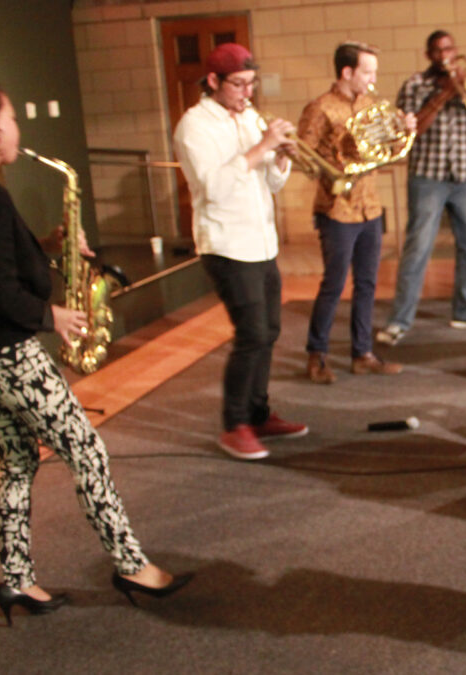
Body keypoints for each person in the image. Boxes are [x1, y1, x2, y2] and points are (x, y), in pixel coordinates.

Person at [0, 81, 192, 625]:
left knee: (17, 464)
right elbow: (0, 290)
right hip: (8, 355)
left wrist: (48, 243)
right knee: (87, 452)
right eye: (11, 117)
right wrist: (52, 316)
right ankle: (131, 565)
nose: (18, 127)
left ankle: (17, 580)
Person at [173, 43, 307, 460]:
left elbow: (271, 184)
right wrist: (262, 146)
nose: (248, 93)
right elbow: (213, 187)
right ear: (213, 81)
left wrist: (281, 157)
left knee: (269, 331)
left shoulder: (249, 117)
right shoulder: (194, 126)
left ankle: (257, 414)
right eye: (239, 84)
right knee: (251, 334)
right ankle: (234, 425)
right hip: (227, 245)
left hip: (261, 241)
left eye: (252, 83)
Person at [297, 42, 414, 384]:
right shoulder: (320, 108)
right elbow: (303, 157)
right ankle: (316, 355)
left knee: (367, 283)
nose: (373, 79)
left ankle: (362, 354)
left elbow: (389, 150)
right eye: (368, 72)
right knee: (334, 284)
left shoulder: (371, 106)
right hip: (337, 208)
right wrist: (337, 161)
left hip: (369, 206)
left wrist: (404, 132)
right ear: (347, 72)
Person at [376, 30, 466, 346]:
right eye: (438, 50)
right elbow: (410, 131)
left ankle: (465, 311)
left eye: (449, 48)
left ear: (456, 50)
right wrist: (443, 94)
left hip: (464, 178)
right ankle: (399, 320)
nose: (445, 55)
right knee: (418, 248)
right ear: (428, 55)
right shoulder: (415, 85)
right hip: (427, 178)